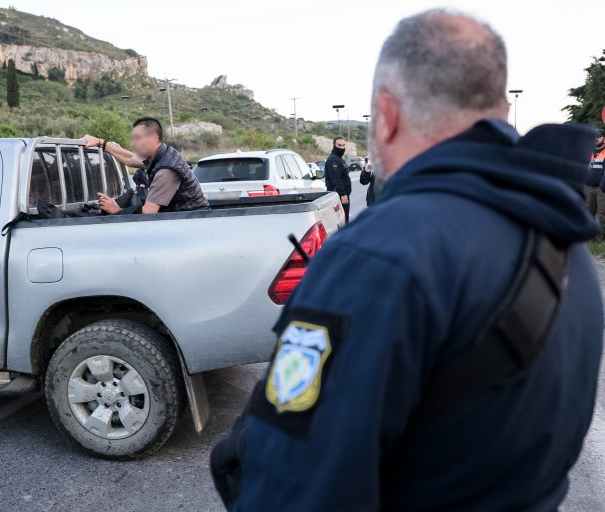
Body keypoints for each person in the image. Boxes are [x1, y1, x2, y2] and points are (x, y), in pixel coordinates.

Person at [211, 9, 603, 512]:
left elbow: (284, 492)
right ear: (500, 108)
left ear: (387, 113)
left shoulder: (377, 258)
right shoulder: (564, 236)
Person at [82, 117, 209, 214]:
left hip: (191, 222)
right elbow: (130, 158)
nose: (133, 143)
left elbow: (148, 213)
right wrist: (101, 143)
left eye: (137, 138)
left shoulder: (166, 170)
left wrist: (116, 210)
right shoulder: (164, 154)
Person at [324, 137, 352, 221]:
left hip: (342, 195)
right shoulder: (333, 160)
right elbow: (336, 179)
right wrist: (343, 194)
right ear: (334, 146)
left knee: (345, 218)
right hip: (338, 196)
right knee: (342, 220)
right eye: (339, 145)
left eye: (343, 145)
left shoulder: (339, 159)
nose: (342, 147)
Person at [588, 129, 605, 230]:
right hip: (588, 188)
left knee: (601, 215)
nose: (596, 139)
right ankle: (588, 236)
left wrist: (603, 185)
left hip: (601, 189)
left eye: (599, 137)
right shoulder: (589, 151)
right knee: (588, 213)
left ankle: (599, 237)